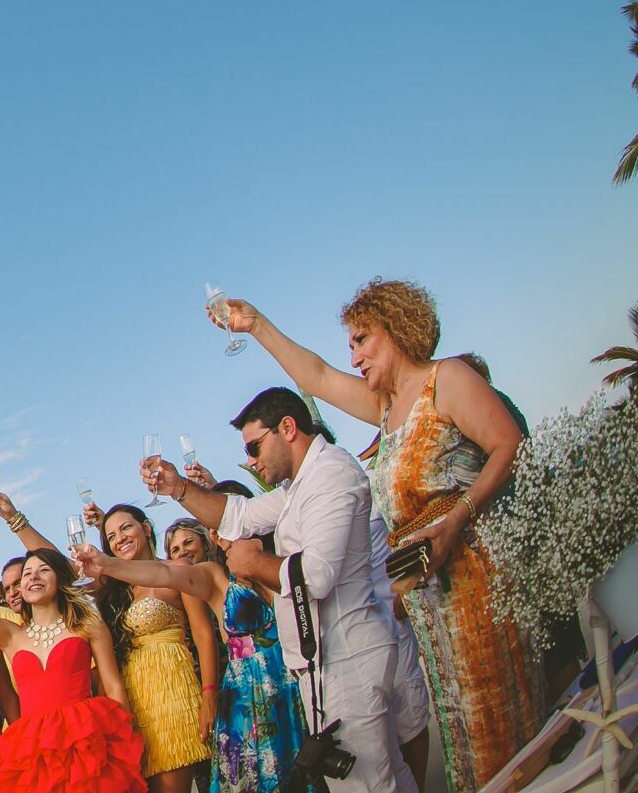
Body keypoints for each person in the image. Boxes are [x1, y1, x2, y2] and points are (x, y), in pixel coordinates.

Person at [222, 285, 543, 791]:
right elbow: (318, 377)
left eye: (361, 339)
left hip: (474, 575)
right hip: (430, 595)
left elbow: (509, 444)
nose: (353, 355)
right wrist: (256, 324)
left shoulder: (448, 379)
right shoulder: (388, 409)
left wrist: (456, 519)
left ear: (395, 329)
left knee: (495, 720)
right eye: (349, 345)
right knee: (463, 732)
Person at [146, 386, 420, 793]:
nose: (252, 461)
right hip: (327, 661)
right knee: (387, 779)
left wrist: (255, 564)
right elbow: (236, 513)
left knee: (368, 787)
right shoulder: (298, 486)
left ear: (287, 428)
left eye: (255, 447)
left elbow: (319, 574)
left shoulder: (331, 473)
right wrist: (179, 489)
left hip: (347, 656)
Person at [0, 491, 214, 792]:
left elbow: (203, 635)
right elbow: (55, 564)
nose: (120, 538)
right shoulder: (110, 585)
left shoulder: (176, 573)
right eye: (111, 536)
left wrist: (210, 694)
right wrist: (15, 519)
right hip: (126, 696)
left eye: (126, 528)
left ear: (147, 528)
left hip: (171, 691)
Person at [75, 528, 306, 793]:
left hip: (295, 679)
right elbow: (165, 573)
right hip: (246, 690)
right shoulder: (212, 575)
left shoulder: (287, 560)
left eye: (188, 542)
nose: (182, 551)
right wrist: (107, 563)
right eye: (174, 548)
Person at [0, 535, 145, 793]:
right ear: (20, 587)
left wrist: (123, 739)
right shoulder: (12, 635)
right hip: (34, 748)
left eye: (43, 571)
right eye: (27, 574)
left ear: (59, 580)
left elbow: (112, 686)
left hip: (84, 741)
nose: (34, 577)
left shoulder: (87, 625)